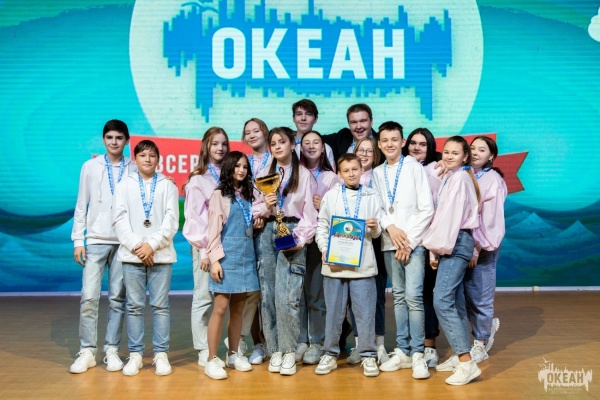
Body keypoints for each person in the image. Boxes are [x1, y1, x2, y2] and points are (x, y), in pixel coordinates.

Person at [252, 127, 318, 376]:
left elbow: (310, 215)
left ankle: (289, 349)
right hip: (267, 231)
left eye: (282, 142)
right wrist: (264, 206)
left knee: (287, 295)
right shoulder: (263, 174)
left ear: (292, 144)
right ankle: (274, 349)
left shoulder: (304, 175)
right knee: (267, 294)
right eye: (273, 143)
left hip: (292, 231)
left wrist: (300, 239)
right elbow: (251, 207)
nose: (278, 146)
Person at [70, 119, 133, 374]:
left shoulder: (133, 166)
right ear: (103, 139)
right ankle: (87, 350)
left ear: (126, 140)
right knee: (89, 297)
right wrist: (78, 239)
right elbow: (81, 204)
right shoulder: (90, 166)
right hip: (95, 241)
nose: (114, 142)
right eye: (109, 137)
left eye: (119, 138)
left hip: (123, 242)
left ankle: (111, 350)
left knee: (118, 298)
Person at [372, 122, 434, 379]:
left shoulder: (414, 167)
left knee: (413, 297)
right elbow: (377, 207)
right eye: (385, 140)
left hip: (412, 245)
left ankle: (418, 353)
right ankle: (403, 350)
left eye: (394, 139)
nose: (390, 144)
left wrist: (408, 241)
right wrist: (391, 228)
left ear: (403, 142)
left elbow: (426, 208)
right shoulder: (376, 172)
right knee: (397, 296)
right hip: (389, 242)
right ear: (379, 144)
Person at [112, 139, 179, 376]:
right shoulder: (124, 185)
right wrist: (137, 246)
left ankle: (161, 354)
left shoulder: (168, 185)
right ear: (135, 159)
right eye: (142, 155)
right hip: (132, 256)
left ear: (158, 159)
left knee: (160, 306)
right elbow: (119, 219)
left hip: (161, 255)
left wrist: (151, 245)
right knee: (134, 307)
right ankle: (136, 355)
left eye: (152, 155)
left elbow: (172, 221)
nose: (147, 159)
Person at [314, 153, 382, 377]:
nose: (351, 174)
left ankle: (368, 355)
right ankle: (329, 354)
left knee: (365, 313)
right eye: (346, 170)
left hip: (363, 265)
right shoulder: (331, 196)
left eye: (355, 169)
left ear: (361, 170)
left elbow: (377, 232)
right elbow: (322, 226)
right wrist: (325, 249)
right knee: (333, 313)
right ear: (339, 174)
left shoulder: (372, 196)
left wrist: (375, 228)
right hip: (335, 264)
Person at [422, 136, 481, 386]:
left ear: (465, 157)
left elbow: (450, 218)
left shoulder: (459, 179)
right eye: (446, 152)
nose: (448, 156)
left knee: (442, 300)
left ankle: (467, 363)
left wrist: (435, 249)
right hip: (454, 241)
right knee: (454, 301)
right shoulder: (454, 176)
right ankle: (460, 358)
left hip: (455, 241)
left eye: (455, 153)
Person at [203, 151, 261, 379]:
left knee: (239, 308)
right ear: (228, 167)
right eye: (237, 166)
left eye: (245, 167)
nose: (241, 170)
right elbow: (213, 230)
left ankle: (233, 354)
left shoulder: (249, 194)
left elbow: (250, 223)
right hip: (226, 257)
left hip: (246, 257)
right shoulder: (219, 194)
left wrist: (257, 222)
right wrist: (215, 260)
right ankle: (211, 359)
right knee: (220, 308)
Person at [182, 127, 230, 367]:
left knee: (233, 295)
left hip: (230, 242)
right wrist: (204, 251)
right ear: (206, 147)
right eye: (215, 144)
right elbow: (194, 218)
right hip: (205, 246)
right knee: (203, 297)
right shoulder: (198, 179)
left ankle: (235, 344)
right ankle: (203, 348)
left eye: (224, 143)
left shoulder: (233, 173)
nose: (220, 148)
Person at [296, 130, 339, 364]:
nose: (311, 146)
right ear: (300, 148)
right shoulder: (294, 173)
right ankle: (300, 340)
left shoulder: (331, 178)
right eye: (307, 143)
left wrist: (324, 205)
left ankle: (317, 342)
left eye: (316, 142)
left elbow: (340, 212)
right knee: (297, 295)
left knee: (315, 295)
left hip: (317, 242)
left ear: (323, 149)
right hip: (296, 239)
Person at [402, 127, 443, 368]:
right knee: (405, 296)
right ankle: (408, 345)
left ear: (430, 148)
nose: (417, 147)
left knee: (425, 293)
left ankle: (429, 346)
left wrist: (432, 246)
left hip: (427, 241)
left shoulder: (437, 170)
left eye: (423, 144)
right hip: (402, 241)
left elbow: (436, 209)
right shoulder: (400, 168)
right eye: (413, 143)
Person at [345, 137, 388, 365]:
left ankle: (378, 345)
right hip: (351, 244)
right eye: (360, 150)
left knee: (377, 296)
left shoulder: (380, 176)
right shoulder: (344, 180)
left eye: (369, 151)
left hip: (377, 243)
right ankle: (360, 344)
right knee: (355, 298)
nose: (363, 154)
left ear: (376, 155)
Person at [465, 136, 506, 363]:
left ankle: (480, 342)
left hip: (482, 246)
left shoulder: (493, 180)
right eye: (472, 148)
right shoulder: (462, 174)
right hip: (461, 245)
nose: (475, 152)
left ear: (491, 156)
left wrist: (477, 247)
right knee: (464, 295)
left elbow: (491, 221)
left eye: (482, 150)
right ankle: (481, 330)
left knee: (480, 295)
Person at [291, 99, 336, 169]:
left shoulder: (325, 148)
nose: (303, 118)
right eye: (299, 114)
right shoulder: (285, 145)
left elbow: (331, 174)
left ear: (315, 119)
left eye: (308, 114)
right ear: (293, 118)